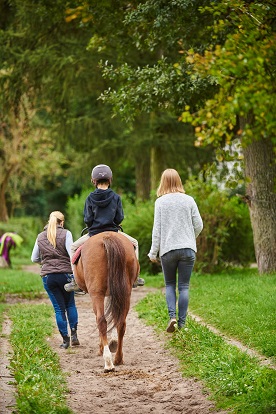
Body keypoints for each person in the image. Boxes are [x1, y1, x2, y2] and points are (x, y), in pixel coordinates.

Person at [65, 164, 144, 292]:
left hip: (94, 233)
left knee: (73, 247)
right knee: (135, 243)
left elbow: (88, 219)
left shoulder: (90, 198)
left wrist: (92, 225)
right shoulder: (116, 197)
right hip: (113, 231)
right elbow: (119, 218)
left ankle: (74, 280)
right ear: (110, 180)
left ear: (94, 181)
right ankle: (135, 277)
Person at [148, 169, 203, 333]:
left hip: (168, 250)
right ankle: (182, 324)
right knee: (184, 286)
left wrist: (153, 253)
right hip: (188, 249)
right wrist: (190, 238)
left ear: (162, 182)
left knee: (170, 284)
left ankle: (172, 316)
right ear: (179, 181)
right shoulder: (189, 200)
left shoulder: (160, 202)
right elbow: (199, 225)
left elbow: (156, 230)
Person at [31, 211, 80, 349]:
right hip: (66, 274)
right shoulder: (66, 233)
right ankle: (75, 335)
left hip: (49, 277)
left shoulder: (40, 236)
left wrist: (45, 262)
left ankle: (65, 341)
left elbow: (33, 258)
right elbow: (72, 256)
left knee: (59, 309)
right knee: (70, 304)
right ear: (62, 222)